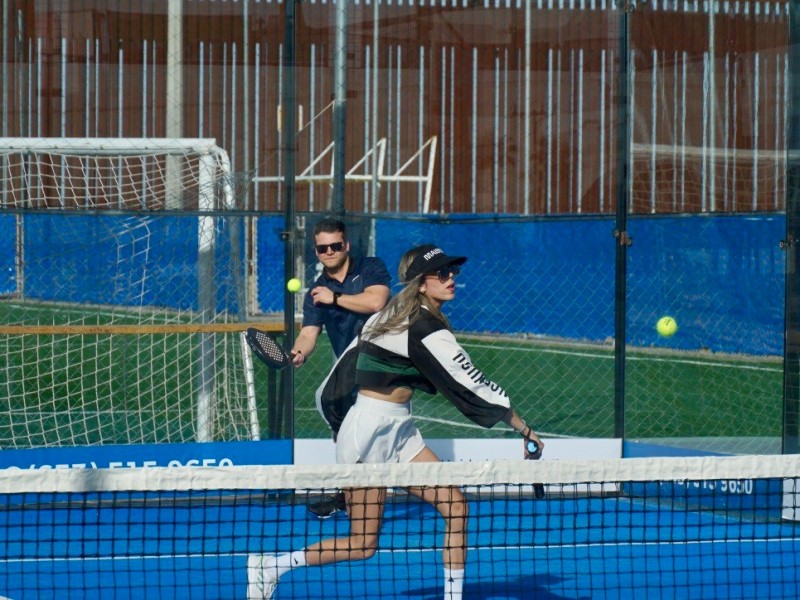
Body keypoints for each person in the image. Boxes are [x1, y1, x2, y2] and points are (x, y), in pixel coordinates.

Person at [247, 243, 544, 600]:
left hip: (401, 430)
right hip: (368, 435)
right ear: (421, 283)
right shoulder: (421, 327)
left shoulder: (391, 316)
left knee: (456, 507)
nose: (452, 279)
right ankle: (272, 566)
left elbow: (345, 369)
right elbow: (472, 384)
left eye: (453, 272)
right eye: (442, 274)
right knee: (363, 544)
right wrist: (524, 429)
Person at [291, 217, 391, 517]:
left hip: (384, 362)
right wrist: (297, 353)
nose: (330, 252)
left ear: (346, 245)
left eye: (335, 245)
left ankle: (431, 485)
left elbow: (375, 302)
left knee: (386, 437)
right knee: (344, 429)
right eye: (323, 249)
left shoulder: (370, 267)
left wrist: (334, 298)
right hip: (348, 367)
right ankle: (349, 496)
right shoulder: (316, 292)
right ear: (316, 252)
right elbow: (309, 334)